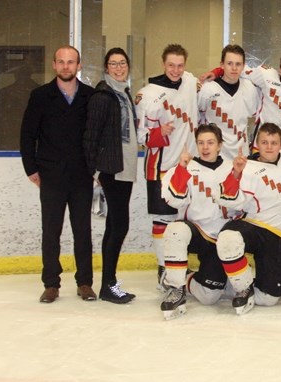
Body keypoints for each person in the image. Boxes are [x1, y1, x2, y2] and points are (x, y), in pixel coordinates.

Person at [20, 45, 95, 303]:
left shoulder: (89, 96)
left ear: (79, 65)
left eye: (71, 62)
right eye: (61, 61)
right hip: (51, 175)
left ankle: (85, 282)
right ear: (54, 65)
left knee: (82, 230)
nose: (66, 66)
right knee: (51, 231)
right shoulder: (40, 95)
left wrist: (95, 168)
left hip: (82, 175)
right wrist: (31, 169)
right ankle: (51, 283)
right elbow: (27, 135)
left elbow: (96, 137)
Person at [158, 123, 239, 320]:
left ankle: (188, 277)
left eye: (210, 142)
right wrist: (182, 169)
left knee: (209, 296)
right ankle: (175, 287)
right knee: (175, 229)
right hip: (196, 233)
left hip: (222, 240)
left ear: (220, 145)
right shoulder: (186, 168)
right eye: (201, 143)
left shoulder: (232, 168)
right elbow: (173, 200)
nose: (205, 147)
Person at [135, 44, 199, 289]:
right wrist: (158, 132)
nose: (176, 70)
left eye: (180, 65)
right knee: (164, 220)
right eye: (171, 65)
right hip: (161, 167)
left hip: (188, 167)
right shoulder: (148, 94)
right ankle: (163, 269)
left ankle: (178, 265)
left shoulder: (190, 82)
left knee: (183, 220)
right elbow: (141, 137)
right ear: (163, 63)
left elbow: (208, 80)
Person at [214, 123, 281, 315]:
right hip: (254, 226)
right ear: (256, 144)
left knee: (268, 299)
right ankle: (242, 286)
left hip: (279, 235)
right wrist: (236, 173)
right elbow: (229, 201)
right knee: (228, 239)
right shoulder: (247, 167)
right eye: (264, 142)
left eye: (274, 142)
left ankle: (237, 283)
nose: (269, 147)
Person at [83, 47, 137, 303]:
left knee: (114, 226)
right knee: (119, 226)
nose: (118, 67)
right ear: (106, 68)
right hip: (112, 170)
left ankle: (108, 283)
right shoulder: (103, 97)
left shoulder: (124, 94)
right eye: (113, 64)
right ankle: (108, 284)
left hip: (125, 169)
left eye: (122, 63)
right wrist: (93, 171)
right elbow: (91, 136)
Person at [205, 50, 281, 157]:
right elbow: (238, 68)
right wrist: (217, 72)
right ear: (280, 70)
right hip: (262, 147)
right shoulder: (266, 76)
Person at [197, 44, 260, 161]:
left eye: (238, 64)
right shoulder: (208, 89)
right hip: (215, 156)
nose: (234, 68)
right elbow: (198, 116)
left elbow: (252, 113)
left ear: (243, 66)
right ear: (222, 65)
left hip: (242, 154)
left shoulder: (250, 88)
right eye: (229, 63)